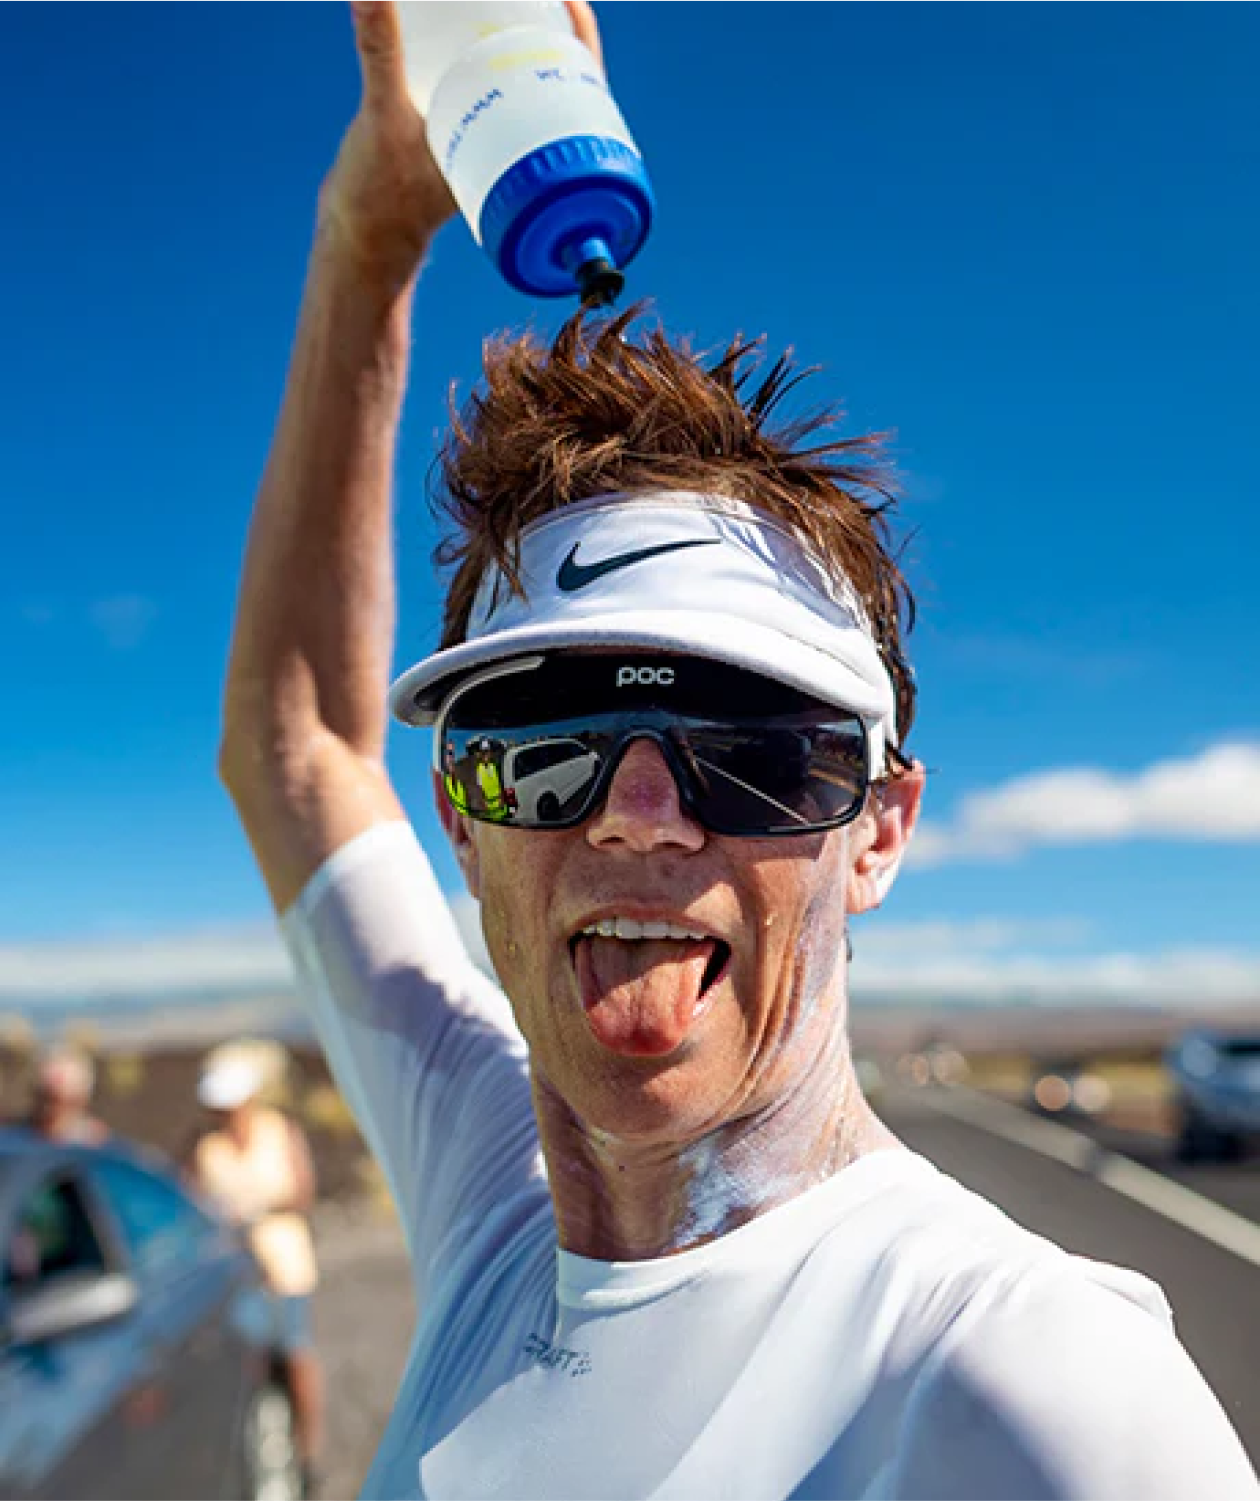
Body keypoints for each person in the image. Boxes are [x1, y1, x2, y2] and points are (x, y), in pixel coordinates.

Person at [217, 0, 1259, 1496]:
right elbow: (299, 738)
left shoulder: (1035, 1385)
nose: (642, 811)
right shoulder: (492, 1202)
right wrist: (371, 227)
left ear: (879, 828)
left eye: (759, 749)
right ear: (461, 809)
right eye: (546, 735)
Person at [185, 1050, 325, 1493]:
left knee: (296, 1353)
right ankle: (255, 1452)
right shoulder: (203, 1147)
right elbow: (188, 1203)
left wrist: (252, 1210)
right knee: (251, 1362)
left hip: (286, 1266)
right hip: (236, 1274)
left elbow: (303, 1192)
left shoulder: (278, 1132)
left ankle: (306, 1454)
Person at [24, 1047, 109, 1144]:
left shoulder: (100, 1147)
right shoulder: (11, 1140)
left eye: (56, 1100)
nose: (48, 1109)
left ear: (81, 1099)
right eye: (43, 1097)